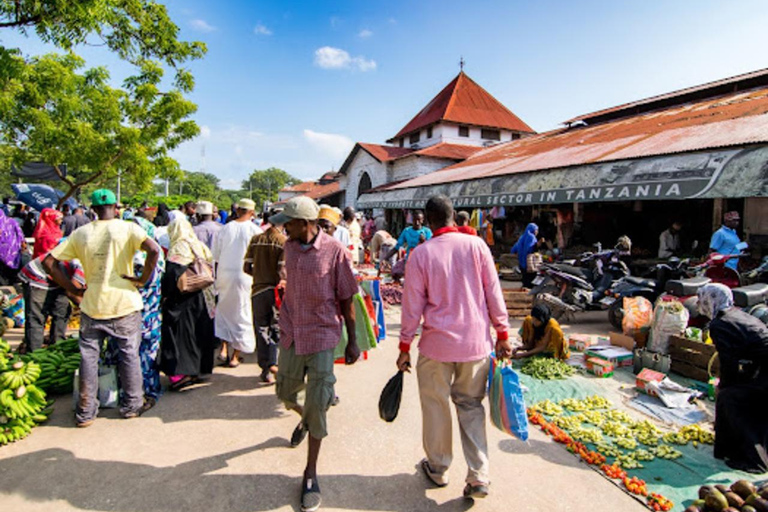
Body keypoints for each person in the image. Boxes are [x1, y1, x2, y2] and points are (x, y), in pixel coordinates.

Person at [396, 195, 510, 501]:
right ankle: (479, 475)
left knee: (436, 405)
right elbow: (493, 292)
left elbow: (411, 306)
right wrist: (502, 332)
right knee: (471, 406)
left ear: (428, 221)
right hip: (475, 344)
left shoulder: (421, 254)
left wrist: (405, 345)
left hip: (437, 346)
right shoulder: (477, 247)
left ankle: (438, 467)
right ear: (452, 217)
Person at [270, 196, 360, 512]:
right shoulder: (290, 248)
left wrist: (352, 341)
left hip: (322, 336)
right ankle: (304, 418)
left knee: (319, 403)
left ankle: (310, 474)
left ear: (305, 224)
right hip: (293, 334)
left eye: (289, 223)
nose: (284, 227)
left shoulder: (335, 251)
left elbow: (347, 297)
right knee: (284, 393)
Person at [44, 189, 160, 427]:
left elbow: (48, 262)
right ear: (116, 207)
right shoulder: (128, 228)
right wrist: (142, 279)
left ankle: (86, 411)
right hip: (124, 303)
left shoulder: (81, 233)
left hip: (92, 305)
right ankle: (132, 405)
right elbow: (155, 250)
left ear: (93, 209)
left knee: (89, 358)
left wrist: (71, 288)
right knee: (129, 356)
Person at [698, 284, 768, 473]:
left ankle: (755, 461)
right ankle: (730, 448)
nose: (698, 304)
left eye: (701, 299)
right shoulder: (738, 314)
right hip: (760, 368)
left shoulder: (720, 324)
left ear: (709, 301)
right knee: (736, 394)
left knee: (730, 398)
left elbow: (728, 360)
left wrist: (724, 385)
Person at [160, 218, 215, 391]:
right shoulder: (198, 244)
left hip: (183, 298)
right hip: (202, 295)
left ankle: (182, 374)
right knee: (199, 332)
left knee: (181, 335)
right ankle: (199, 370)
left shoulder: (179, 247)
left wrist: (166, 295)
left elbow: (173, 273)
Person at [213, 198, 262, 366]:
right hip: (245, 276)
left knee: (224, 311)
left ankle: (224, 349)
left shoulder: (224, 229)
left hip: (224, 274)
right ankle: (235, 356)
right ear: (252, 213)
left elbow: (216, 256)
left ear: (238, 211)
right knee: (242, 313)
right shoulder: (255, 231)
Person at [244, 211, 286, 384]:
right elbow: (282, 271)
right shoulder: (283, 242)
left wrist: (259, 276)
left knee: (261, 328)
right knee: (276, 327)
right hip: (276, 291)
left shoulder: (256, 239)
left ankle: (265, 368)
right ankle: (274, 363)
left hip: (258, 290)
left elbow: (246, 267)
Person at [19, 254, 84, 353]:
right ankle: (35, 353)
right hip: (37, 274)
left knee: (62, 311)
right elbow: (71, 292)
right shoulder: (83, 266)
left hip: (59, 278)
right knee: (37, 317)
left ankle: (57, 346)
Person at [0, 209, 25, 286]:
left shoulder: (11, 222)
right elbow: (21, 236)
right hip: (13, 254)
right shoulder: (12, 221)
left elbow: (20, 236)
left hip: (10, 254)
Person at [510, 223, 539, 288]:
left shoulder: (522, 237)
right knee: (531, 280)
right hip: (530, 262)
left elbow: (513, 249)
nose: (537, 232)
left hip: (522, 263)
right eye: (536, 230)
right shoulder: (532, 237)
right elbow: (531, 248)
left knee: (525, 279)